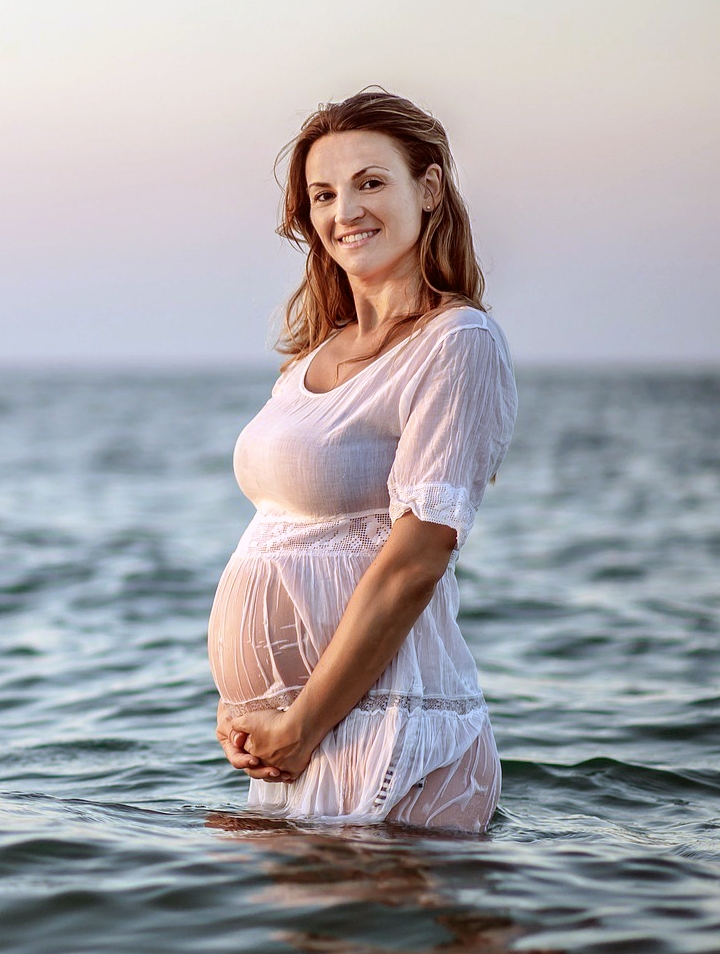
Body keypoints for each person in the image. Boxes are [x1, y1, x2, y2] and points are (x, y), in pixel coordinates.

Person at [210, 88, 517, 833]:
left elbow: (417, 559)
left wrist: (304, 722)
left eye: (371, 182)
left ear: (430, 189)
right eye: (324, 193)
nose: (345, 211)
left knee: (394, 952)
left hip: (392, 734)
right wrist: (252, 712)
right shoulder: (310, 358)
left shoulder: (456, 342)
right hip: (302, 739)